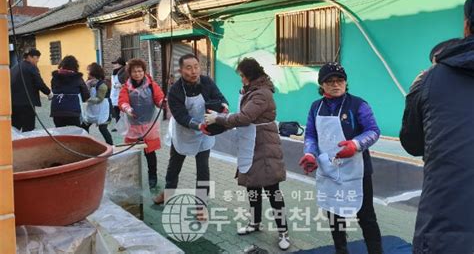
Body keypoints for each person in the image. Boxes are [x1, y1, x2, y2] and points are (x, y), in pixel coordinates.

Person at [400, 0, 474, 254]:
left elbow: (412, 143)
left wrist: (415, 93)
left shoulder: (430, 81)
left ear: (466, 26)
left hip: (445, 232)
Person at [204, 57, 290, 250]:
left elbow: (245, 117)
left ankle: (283, 231)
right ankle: (255, 223)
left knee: (272, 190)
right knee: (252, 186)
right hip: (250, 145)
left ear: (250, 76)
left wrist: (218, 118)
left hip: (264, 146)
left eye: (242, 75)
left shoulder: (261, 94)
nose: (241, 79)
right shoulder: (250, 91)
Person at [299, 62, 382, 254]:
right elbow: (311, 134)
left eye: (340, 80)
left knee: (366, 216)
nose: (336, 84)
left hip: (357, 171)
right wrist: (310, 154)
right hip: (328, 170)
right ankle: (341, 250)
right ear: (322, 85)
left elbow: (373, 131)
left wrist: (355, 144)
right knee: (334, 214)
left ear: (345, 83)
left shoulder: (359, 104)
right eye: (330, 81)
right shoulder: (316, 107)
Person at [153, 54, 228, 215]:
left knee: (203, 169)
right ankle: (168, 193)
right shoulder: (175, 90)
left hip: (204, 132)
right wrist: (197, 125)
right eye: (189, 68)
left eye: (196, 66)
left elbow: (220, 97)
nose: (194, 71)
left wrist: (224, 108)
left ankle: (201, 204)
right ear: (180, 70)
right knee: (174, 166)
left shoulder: (207, 81)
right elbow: (180, 116)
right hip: (184, 132)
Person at [118, 58, 164, 190]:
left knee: (150, 153)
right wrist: (128, 109)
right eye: (134, 71)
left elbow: (159, 98)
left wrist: (162, 103)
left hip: (150, 125)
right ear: (130, 73)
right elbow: (122, 101)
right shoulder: (126, 87)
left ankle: (152, 177)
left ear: (144, 72)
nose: (137, 73)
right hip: (133, 126)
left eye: (140, 71)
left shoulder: (152, 85)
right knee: (132, 153)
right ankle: (132, 176)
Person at [10, 49, 52, 132]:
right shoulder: (31, 67)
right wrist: (49, 93)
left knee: (15, 128)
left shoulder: (14, 68)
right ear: (29, 57)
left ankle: (16, 144)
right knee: (28, 128)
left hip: (13, 104)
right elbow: (39, 83)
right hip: (27, 103)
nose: (38, 60)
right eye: (36, 58)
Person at [50, 55, 90, 127]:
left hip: (57, 109)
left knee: (60, 133)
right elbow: (85, 94)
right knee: (75, 133)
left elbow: (53, 89)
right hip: (73, 110)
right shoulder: (78, 78)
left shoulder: (55, 77)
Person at [82, 63, 113, 145]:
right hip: (92, 108)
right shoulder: (88, 82)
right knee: (84, 127)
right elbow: (85, 93)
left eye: (89, 72)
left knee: (102, 128)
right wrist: (86, 87)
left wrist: (88, 99)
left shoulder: (103, 85)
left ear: (94, 73)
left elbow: (99, 99)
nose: (88, 74)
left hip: (103, 108)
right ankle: (85, 143)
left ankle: (111, 145)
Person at [110, 57, 128, 130]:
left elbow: (127, 83)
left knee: (124, 111)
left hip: (121, 94)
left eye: (116, 63)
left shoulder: (124, 72)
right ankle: (118, 126)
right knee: (116, 111)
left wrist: (120, 85)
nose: (114, 65)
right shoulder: (115, 72)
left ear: (120, 64)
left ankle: (126, 125)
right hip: (115, 94)